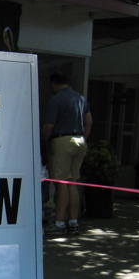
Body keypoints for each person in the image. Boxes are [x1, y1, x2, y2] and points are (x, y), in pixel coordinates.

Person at [41, 72, 93, 235]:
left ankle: (59, 223)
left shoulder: (56, 100)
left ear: (53, 84)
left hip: (62, 140)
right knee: (73, 182)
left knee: (61, 183)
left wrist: (43, 142)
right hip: (79, 140)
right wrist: (83, 138)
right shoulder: (81, 99)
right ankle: (73, 222)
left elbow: (49, 126)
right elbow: (89, 122)